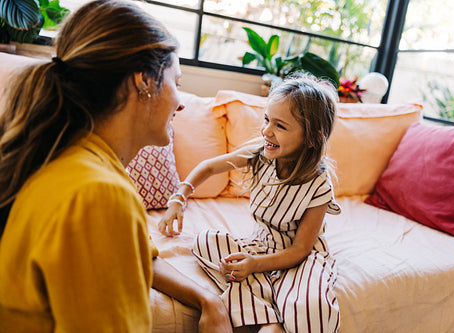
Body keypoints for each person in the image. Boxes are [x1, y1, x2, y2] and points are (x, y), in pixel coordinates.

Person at [0, 1, 231, 332]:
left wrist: (208, 299)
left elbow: (139, 257)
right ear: (144, 81)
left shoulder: (70, 160)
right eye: (176, 81)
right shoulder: (100, 195)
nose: (181, 102)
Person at [158, 74, 342, 333]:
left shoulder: (319, 184)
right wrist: (179, 198)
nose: (267, 131)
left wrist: (254, 266)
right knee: (207, 241)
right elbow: (209, 167)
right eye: (267, 119)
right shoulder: (261, 153)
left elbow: (300, 249)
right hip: (261, 246)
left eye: (280, 126)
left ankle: (273, 301)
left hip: (300, 257)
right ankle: (269, 320)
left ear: (312, 138)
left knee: (310, 307)